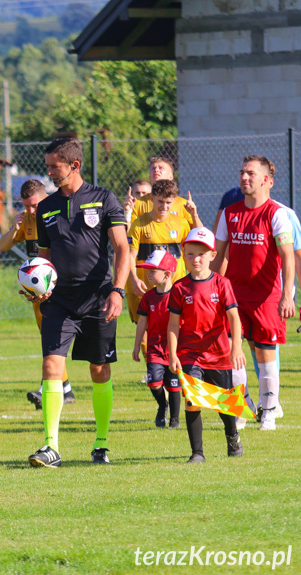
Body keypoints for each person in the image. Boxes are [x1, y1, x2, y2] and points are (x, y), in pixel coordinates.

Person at [26, 138, 129, 468]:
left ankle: (101, 444)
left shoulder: (103, 199)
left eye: (55, 166)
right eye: (48, 167)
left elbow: (122, 249)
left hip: (98, 297)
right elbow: (43, 257)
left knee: (99, 371)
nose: (50, 172)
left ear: (74, 166)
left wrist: (117, 290)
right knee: (51, 367)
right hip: (59, 301)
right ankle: (51, 447)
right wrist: (38, 286)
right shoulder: (45, 207)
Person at [213, 155, 295, 431]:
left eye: (250, 173)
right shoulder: (229, 213)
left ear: (266, 180)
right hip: (233, 298)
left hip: (266, 298)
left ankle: (269, 410)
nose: (244, 177)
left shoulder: (277, 214)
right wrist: (210, 290)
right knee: (232, 353)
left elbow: (288, 257)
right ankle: (243, 407)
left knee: (264, 354)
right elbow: (218, 255)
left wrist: (287, 295)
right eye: (242, 173)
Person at [168, 227, 245, 463]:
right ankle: (197, 453)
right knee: (192, 401)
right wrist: (172, 354)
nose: (196, 259)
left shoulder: (222, 284)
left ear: (213, 255)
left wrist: (236, 347)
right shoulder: (179, 288)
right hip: (190, 354)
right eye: (190, 254)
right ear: (183, 254)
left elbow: (234, 317)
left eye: (201, 254)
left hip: (219, 355)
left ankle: (232, 436)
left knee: (224, 404)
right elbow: (173, 325)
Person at [0, 179, 75, 409]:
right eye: (26, 205)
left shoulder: (57, 215)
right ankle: (67, 389)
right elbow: (3, 246)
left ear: (45, 198)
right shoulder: (26, 219)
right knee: (49, 338)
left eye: (34, 205)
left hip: (60, 288)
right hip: (38, 291)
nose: (31, 210)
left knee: (53, 339)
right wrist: (14, 227)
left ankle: (46, 389)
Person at [127, 179, 192, 324]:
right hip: (147, 290)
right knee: (146, 337)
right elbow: (130, 255)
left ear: (174, 201)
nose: (164, 206)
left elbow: (191, 252)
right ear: (152, 199)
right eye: (160, 201)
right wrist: (134, 279)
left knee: (175, 334)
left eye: (168, 202)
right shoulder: (139, 224)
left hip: (174, 290)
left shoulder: (181, 223)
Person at [131, 250, 181, 429]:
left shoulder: (178, 294)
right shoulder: (148, 297)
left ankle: (174, 419)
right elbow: (142, 322)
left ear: (167, 274)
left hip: (174, 350)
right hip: (154, 349)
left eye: (153, 271)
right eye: (147, 270)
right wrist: (137, 345)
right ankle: (162, 405)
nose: (148, 274)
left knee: (174, 386)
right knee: (153, 382)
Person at [130, 156, 202, 229]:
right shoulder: (138, 203)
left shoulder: (183, 204)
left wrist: (194, 215)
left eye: (161, 168)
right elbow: (129, 232)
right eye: (153, 168)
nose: (156, 170)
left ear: (171, 177)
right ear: (149, 177)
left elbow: (199, 233)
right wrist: (127, 212)